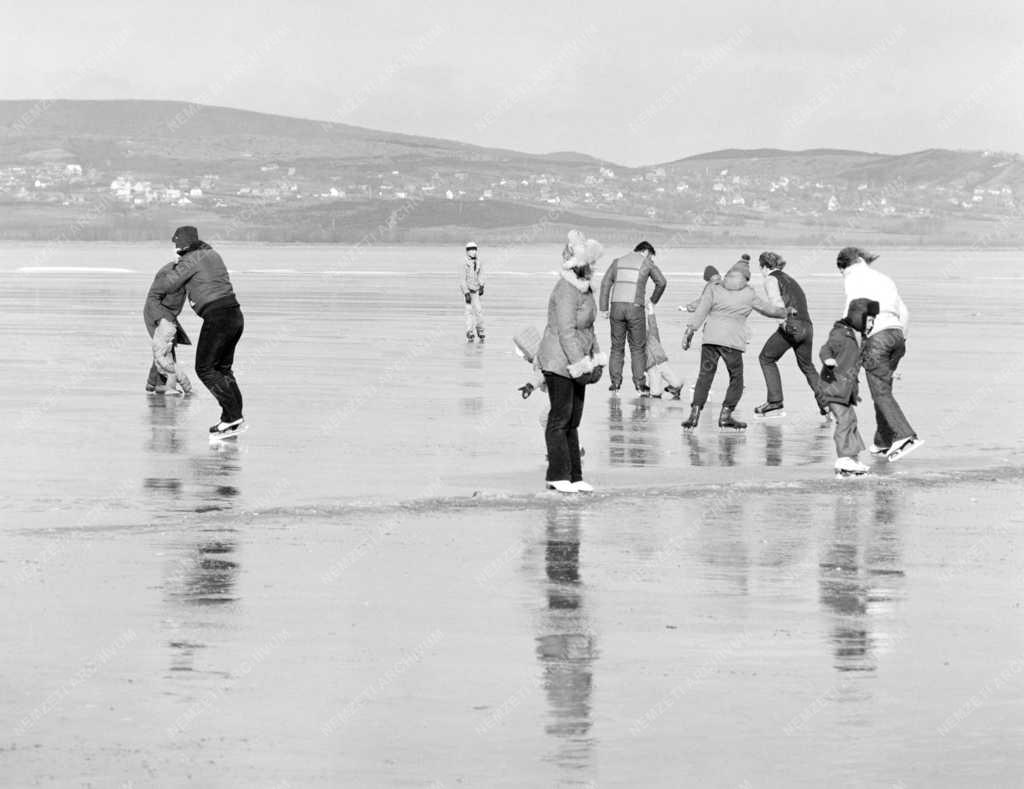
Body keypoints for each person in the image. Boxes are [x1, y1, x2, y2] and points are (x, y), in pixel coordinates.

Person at [149, 226, 245, 437]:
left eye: (176, 245)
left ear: (182, 245)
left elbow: (168, 284)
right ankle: (233, 418)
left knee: (205, 369)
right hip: (235, 316)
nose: (174, 249)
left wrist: (174, 265)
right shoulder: (212, 254)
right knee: (223, 369)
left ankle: (232, 417)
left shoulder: (191, 259)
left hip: (218, 318)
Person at [681, 256, 789, 430]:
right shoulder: (748, 292)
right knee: (736, 378)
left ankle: (694, 415)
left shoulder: (714, 288)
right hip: (732, 342)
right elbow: (768, 310)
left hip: (711, 340)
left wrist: (689, 331)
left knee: (705, 376)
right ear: (746, 277)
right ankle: (726, 415)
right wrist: (786, 312)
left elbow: (701, 310)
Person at [836, 247, 922, 461]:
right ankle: (883, 441)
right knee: (883, 390)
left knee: (880, 393)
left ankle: (905, 436)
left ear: (843, 265)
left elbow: (852, 309)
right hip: (897, 335)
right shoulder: (883, 278)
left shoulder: (852, 278)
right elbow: (904, 312)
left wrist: (845, 340)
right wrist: (901, 339)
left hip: (877, 338)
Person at [537, 230, 606, 493]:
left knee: (573, 419)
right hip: (558, 360)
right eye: (588, 264)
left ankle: (574, 476)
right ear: (576, 265)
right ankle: (557, 475)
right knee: (560, 418)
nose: (592, 268)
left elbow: (589, 329)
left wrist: (596, 359)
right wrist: (580, 365)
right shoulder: (566, 289)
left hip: (577, 359)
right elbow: (566, 331)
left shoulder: (586, 290)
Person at [753, 251, 826, 418]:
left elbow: (776, 303)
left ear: (764, 266)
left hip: (792, 325)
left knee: (766, 358)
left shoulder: (771, 279)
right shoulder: (790, 279)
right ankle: (826, 404)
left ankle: (775, 402)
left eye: (760, 267)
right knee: (807, 366)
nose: (761, 271)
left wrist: (784, 324)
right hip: (808, 326)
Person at [819, 298, 880, 475]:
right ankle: (844, 458)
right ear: (858, 317)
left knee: (851, 421)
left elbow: (859, 361)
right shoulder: (841, 333)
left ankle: (852, 458)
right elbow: (825, 349)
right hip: (832, 388)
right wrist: (828, 360)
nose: (871, 324)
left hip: (845, 390)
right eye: (869, 320)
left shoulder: (857, 337)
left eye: (873, 321)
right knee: (845, 421)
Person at [598, 240, 666, 393]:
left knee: (616, 347)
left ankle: (615, 383)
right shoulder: (646, 263)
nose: (651, 260)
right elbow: (661, 282)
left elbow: (605, 283)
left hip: (616, 307)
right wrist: (652, 301)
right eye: (651, 257)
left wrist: (604, 308)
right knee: (637, 348)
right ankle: (640, 384)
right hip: (635, 308)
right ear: (647, 252)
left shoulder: (617, 262)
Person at [144, 260, 194, 396]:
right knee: (164, 352)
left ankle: (155, 383)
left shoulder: (186, 273)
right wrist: (161, 319)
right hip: (159, 315)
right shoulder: (168, 273)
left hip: (166, 316)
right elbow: (154, 296)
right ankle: (164, 385)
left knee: (164, 349)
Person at [643, 298, 683, 399]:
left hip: (658, 361)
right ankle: (672, 387)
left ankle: (674, 388)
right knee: (657, 391)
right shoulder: (637, 339)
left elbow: (653, 325)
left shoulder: (649, 335)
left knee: (675, 383)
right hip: (653, 363)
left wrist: (651, 310)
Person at [460, 241, 485, 342]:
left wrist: (482, 285)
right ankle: (469, 331)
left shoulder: (478, 262)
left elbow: (480, 275)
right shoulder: (464, 263)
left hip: (475, 290)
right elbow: (462, 279)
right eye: (471, 249)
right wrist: (466, 292)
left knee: (479, 311)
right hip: (468, 291)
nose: (473, 251)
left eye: (474, 249)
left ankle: (480, 330)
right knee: (469, 312)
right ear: (467, 251)